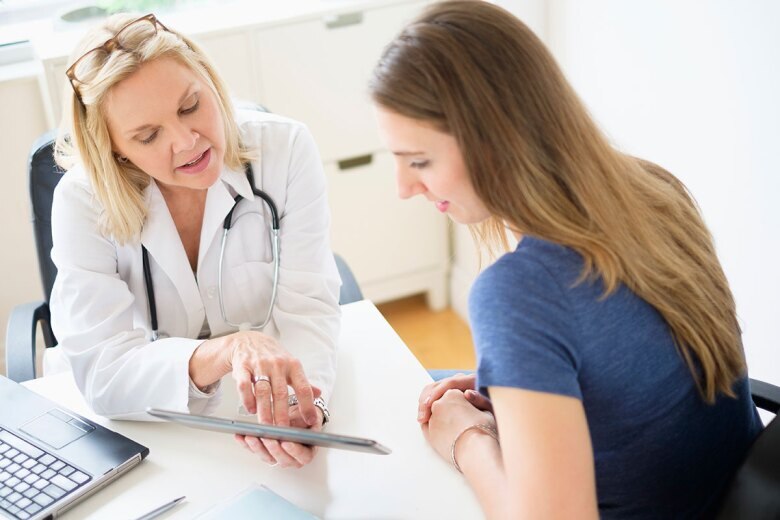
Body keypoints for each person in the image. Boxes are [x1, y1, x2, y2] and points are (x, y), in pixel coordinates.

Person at [369, 1, 762, 517]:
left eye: (419, 161)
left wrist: (465, 438)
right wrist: (521, 383)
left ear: (496, 142)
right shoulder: (654, 189)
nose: (403, 188)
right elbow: (637, 362)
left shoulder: (517, 293)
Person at [49, 13, 340, 468]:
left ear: (209, 80)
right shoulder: (82, 203)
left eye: (190, 106)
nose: (187, 143)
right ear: (113, 147)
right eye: (148, 135)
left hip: (260, 407)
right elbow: (105, 374)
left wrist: (305, 405)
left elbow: (306, 309)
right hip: (146, 434)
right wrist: (226, 351)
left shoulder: (285, 152)